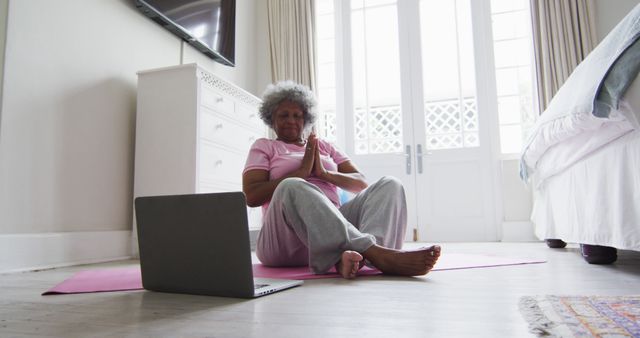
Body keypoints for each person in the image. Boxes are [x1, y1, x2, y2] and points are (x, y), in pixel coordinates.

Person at [242, 81, 441, 279]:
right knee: (291, 186)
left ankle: (359, 257)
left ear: (307, 119)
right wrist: (301, 172)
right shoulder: (265, 146)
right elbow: (251, 196)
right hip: (284, 242)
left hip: (331, 233)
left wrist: (324, 174)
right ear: (271, 118)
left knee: (390, 184)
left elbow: (360, 183)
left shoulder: (326, 146)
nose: (291, 120)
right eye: (283, 115)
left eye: (297, 115)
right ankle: (378, 254)